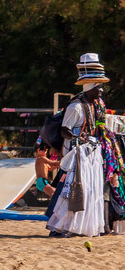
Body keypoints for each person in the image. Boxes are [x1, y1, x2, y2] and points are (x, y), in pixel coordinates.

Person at [48, 53, 114, 237]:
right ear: (90, 87)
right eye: (99, 87)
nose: (101, 91)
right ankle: (62, 227)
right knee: (73, 192)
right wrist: (79, 140)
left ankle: (82, 227)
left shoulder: (95, 106)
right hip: (77, 156)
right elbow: (64, 130)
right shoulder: (75, 107)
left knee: (90, 191)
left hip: (90, 155)